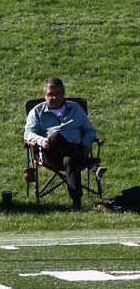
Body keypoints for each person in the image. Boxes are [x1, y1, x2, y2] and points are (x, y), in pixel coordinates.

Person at [24, 77, 106, 211]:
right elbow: (28, 134)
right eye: (50, 94)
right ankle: (91, 164)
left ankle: (76, 204)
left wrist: (87, 143)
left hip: (75, 150)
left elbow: (89, 130)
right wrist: (41, 140)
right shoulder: (37, 111)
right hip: (51, 153)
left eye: (58, 94)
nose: (54, 97)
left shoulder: (75, 108)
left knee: (69, 160)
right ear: (44, 95)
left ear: (64, 93)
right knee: (55, 136)